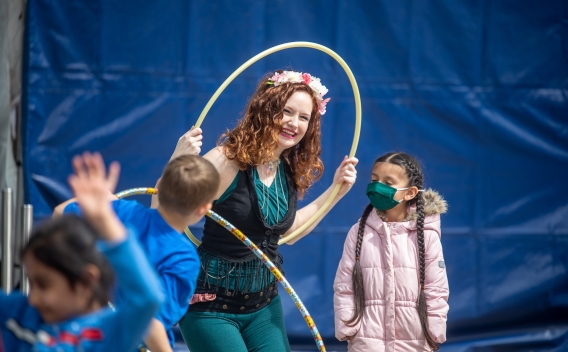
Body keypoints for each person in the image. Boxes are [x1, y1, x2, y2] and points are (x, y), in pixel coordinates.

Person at [160, 70, 358, 352]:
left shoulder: (286, 168)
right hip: (211, 306)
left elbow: (289, 233)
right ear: (266, 109)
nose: (294, 123)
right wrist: (178, 160)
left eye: (304, 117)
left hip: (263, 304)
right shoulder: (225, 160)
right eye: (286, 111)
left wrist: (335, 192)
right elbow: (167, 216)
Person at [54, 154, 220, 352]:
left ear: (158, 185)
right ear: (203, 209)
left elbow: (59, 212)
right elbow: (150, 323)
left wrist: (103, 204)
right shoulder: (184, 259)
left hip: (82, 337)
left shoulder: (119, 211)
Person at [0, 152, 164, 351]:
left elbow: (147, 297)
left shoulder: (107, 333)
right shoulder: (22, 312)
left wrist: (106, 222)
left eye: (43, 285)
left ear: (86, 281)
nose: (33, 297)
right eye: (31, 282)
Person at [333, 152, 449, 351]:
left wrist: (434, 330)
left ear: (410, 192)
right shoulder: (358, 231)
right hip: (367, 341)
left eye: (388, 182)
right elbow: (345, 284)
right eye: (374, 180)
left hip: (415, 340)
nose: (378, 187)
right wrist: (348, 325)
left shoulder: (427, 235)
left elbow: (436, 288)